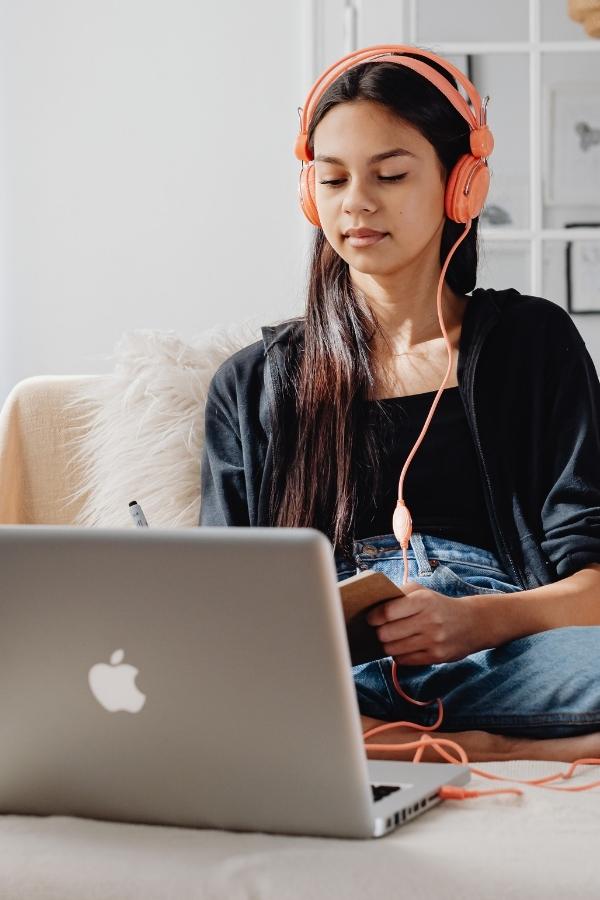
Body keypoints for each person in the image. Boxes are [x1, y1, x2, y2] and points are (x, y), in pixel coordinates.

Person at [199, 45, 600, 764]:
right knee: (206, 695)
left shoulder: (533, 343)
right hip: (334, 669)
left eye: (389, 174)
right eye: (333, 178)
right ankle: (491, 747)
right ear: (308, 193)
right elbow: (220, 605)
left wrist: (477, 622)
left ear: (461, 186)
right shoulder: (251, 383)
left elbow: (592, 585)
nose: (356, 202)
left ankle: (443, 743)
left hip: (506, 648)